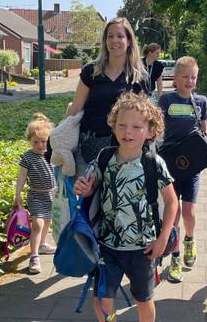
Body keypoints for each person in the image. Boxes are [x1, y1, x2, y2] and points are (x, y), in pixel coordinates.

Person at [74, 93, 179, 322]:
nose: (127, 132)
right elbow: (93, 188)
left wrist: (162, 239)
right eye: (121, 125)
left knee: (144, 299)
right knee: (102, 299)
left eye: (136, 126)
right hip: (107, 244)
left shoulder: (153, 163)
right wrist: (85, 188)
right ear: (113, 126)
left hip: (143, 248)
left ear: (151, 131)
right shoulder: (104, 157)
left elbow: (172, 201)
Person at [157, 56, 207, 283]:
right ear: (175, 78)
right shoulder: (165, 100)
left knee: (189, 213)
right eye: (185, 76)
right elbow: (156, 128)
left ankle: (190, 242)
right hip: (170, 165)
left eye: (193, 77)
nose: (190, 81)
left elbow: (204, 130)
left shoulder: (200, 101)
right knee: (172, 215)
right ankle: (174, 257)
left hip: (193, 165)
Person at [65, 17, 150, 178]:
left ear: (129, 41)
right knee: (86, 200)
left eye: (120, 36)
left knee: (115, 201)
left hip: (124, 150)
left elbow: (145, 117)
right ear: (105, 41)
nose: (114, 41)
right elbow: (75, 108)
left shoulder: (139, 77)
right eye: (110, 36)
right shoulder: (91, 71)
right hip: (89, 147)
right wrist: (60, 137)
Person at [14, 113, 57, 274]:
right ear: (29, 141)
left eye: (44, 141)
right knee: (38, 224)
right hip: (36, 195)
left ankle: (43, 244)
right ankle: (34, 256)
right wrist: (17, 194)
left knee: (47, 222)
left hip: (51, 194)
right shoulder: (28, 157)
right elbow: (22, 177)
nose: (40, 145)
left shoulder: (52, 154)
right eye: (36, 142)